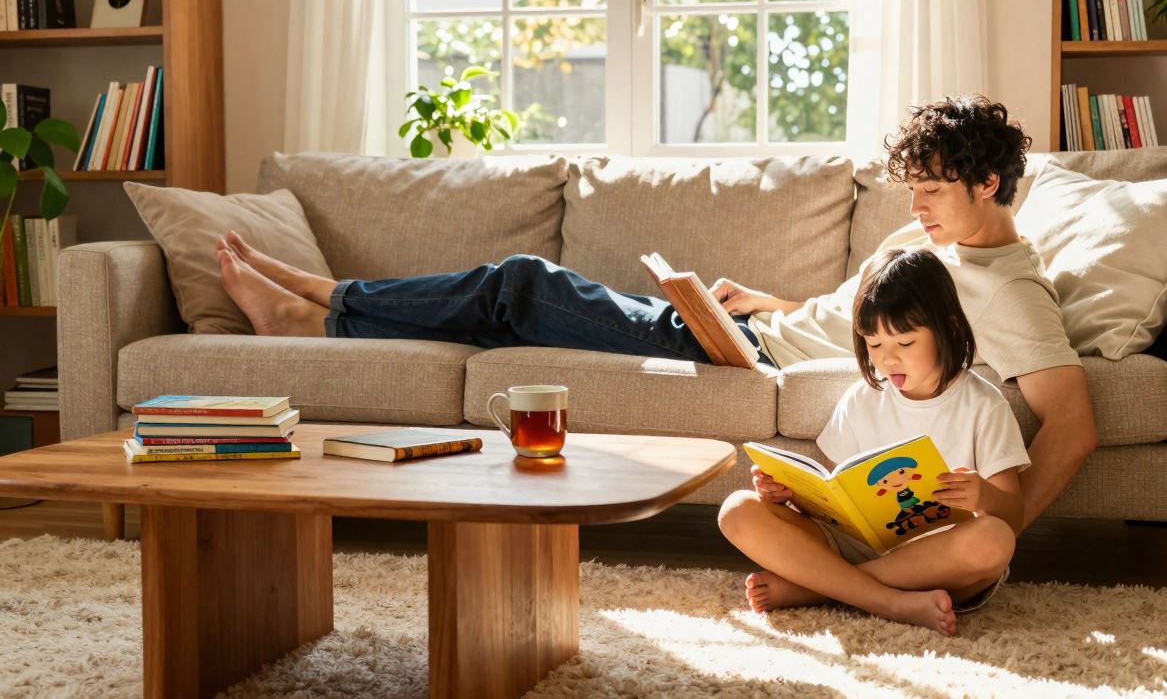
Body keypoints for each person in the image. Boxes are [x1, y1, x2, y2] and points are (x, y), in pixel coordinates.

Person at [218, 94, 1096, 528]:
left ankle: (323, 302)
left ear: (990, 182)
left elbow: (1075, 423)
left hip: (743, 360)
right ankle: (324, 317)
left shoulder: (1009, 289)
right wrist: (768, 303)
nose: (917, 209)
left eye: (935, 191)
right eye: (912, 190)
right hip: (748, 333)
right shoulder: (938, 251)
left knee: (521, 287)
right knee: (512, 308)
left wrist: (1006, 524)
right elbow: (850, 318)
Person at [719, 248, 1028, 636]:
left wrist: (983, 496)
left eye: (905, 343)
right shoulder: (862, 397)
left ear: (947, 327)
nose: (888, 360)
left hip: (939, 562)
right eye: (874, 344)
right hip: (855, 545)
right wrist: (787, 494)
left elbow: (1013, 515)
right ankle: (888, 601)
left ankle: (819, 587)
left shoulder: (983, 405)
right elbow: (832, 500)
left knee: (995, 540)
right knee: (737, 510)